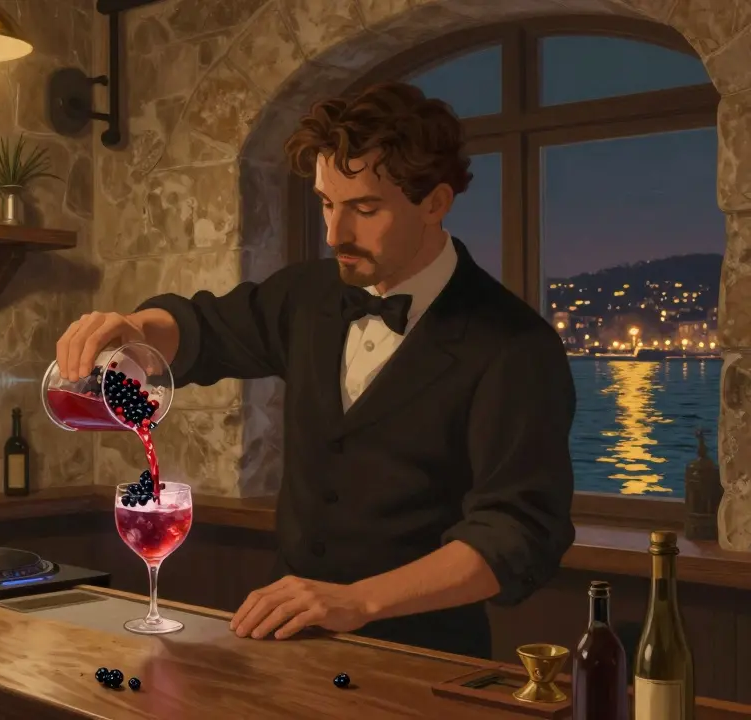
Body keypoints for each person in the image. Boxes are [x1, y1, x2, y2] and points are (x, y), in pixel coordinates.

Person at [54, 81, 576, 659]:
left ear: (435, 203)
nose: (335, 234)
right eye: (327, 203)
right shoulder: (308, 296)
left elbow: (517, 533)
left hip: (424, 658)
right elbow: (207, 329)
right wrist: (133, 329)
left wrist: (358, 601)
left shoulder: (514, 345)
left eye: (365, 209)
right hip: (287, 640)